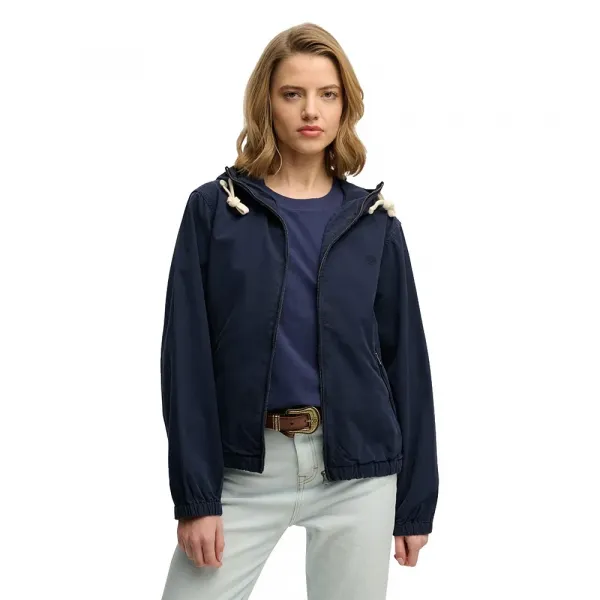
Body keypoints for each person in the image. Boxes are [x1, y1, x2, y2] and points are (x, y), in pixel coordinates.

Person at [159, 22, 439, 600]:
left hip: (358, 473)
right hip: (244, 471)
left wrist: (414, 502)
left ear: (345, 106)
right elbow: (186, 360)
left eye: (327, 94)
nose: (311, 110)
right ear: (267, 102)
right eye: (293, 94)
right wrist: (196, 497)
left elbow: (407, 365)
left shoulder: (375, 223)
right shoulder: (215, 211)